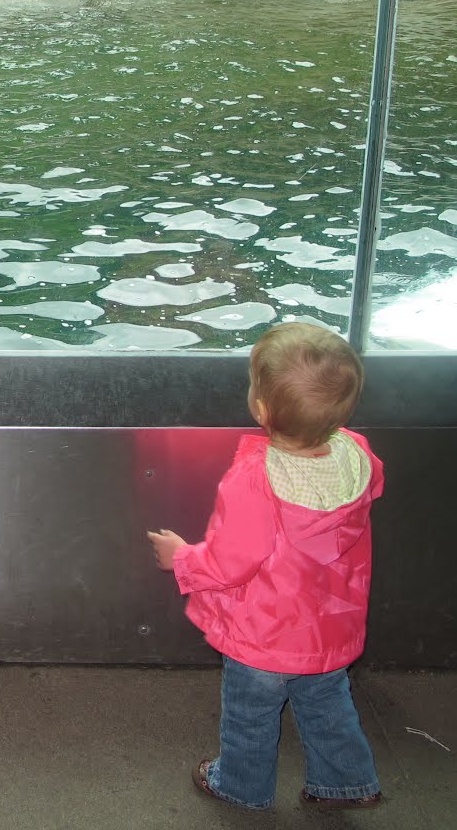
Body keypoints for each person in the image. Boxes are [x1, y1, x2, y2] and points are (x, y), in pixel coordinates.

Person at [147, 321, 384, 812]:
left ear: (261, 409)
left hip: (264, 636)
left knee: (249, 716)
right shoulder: (357, 456)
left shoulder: (257, 479)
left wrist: (182, 557)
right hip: (327, 630)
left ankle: (241, 786)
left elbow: (232, 561)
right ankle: (346, 783)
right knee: (327, 704)